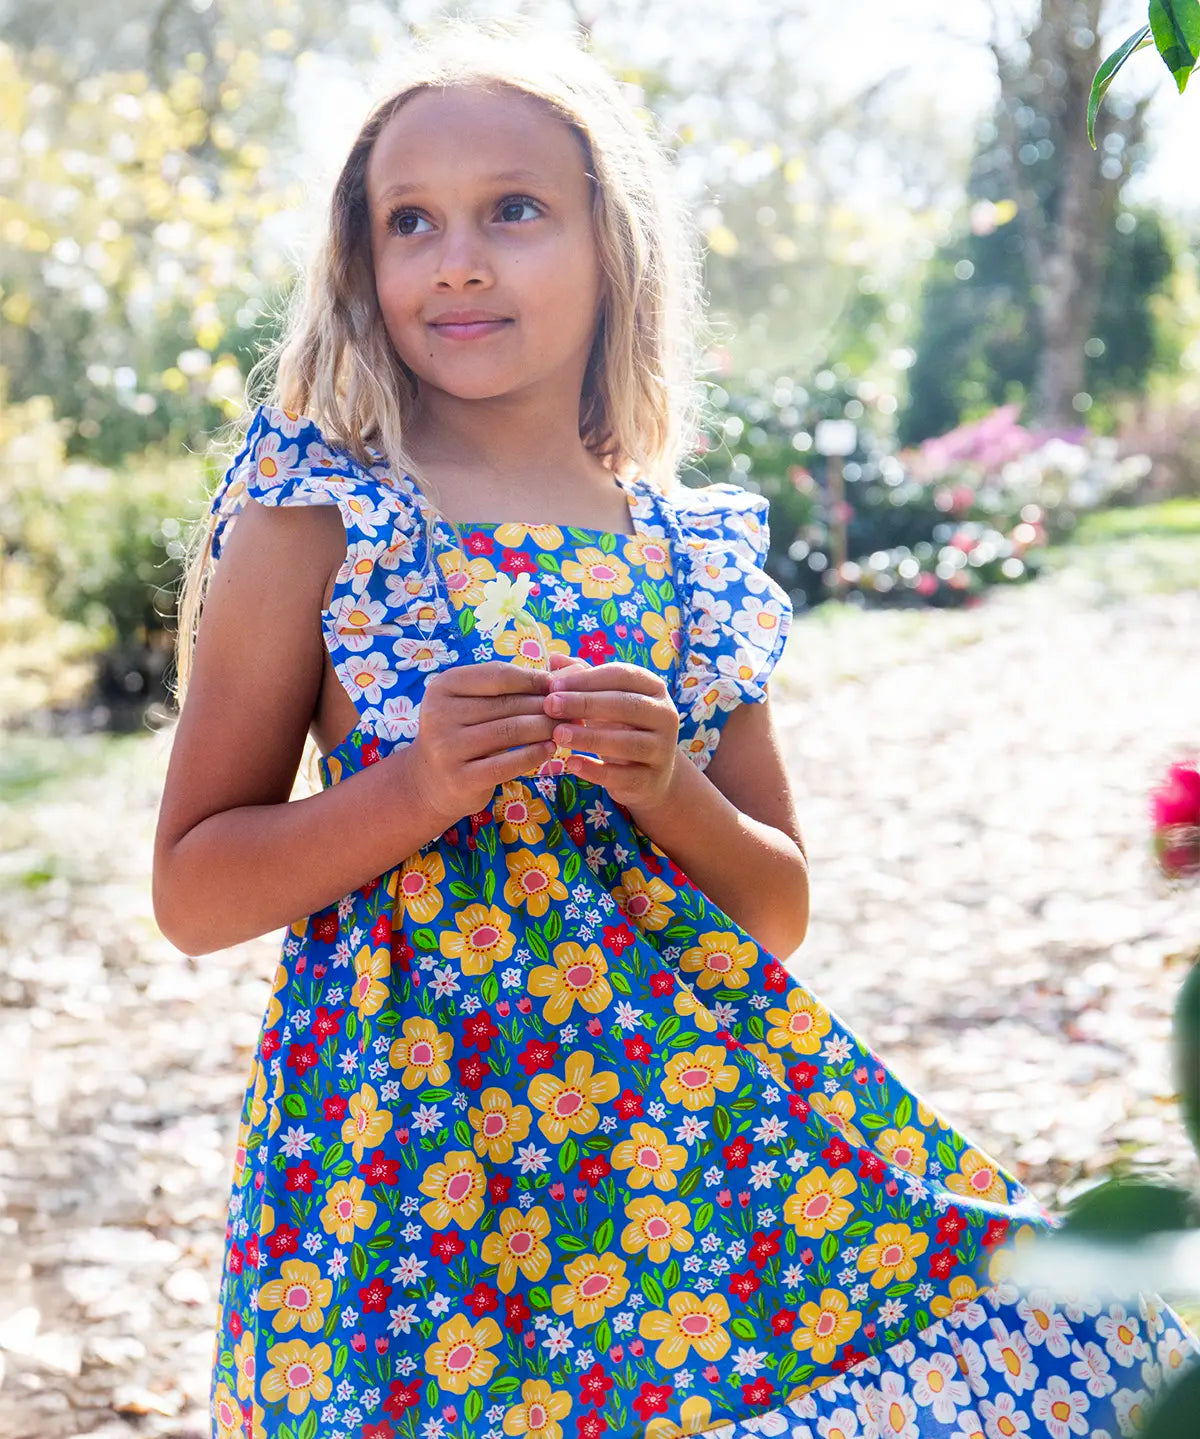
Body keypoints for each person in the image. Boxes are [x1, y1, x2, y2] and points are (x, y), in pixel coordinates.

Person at [152, 19, 1198, 1439]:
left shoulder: (691, 552)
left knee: (1067, 1319)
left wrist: (667, 789)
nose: (458, 257)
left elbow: (773, 905)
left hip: (692, 1153)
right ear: (362, 265)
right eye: (411, 222)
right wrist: (409, 794)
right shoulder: (320, 515)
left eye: (512, 210)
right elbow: (194, 890)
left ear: (612, 245)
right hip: (409, 1178)